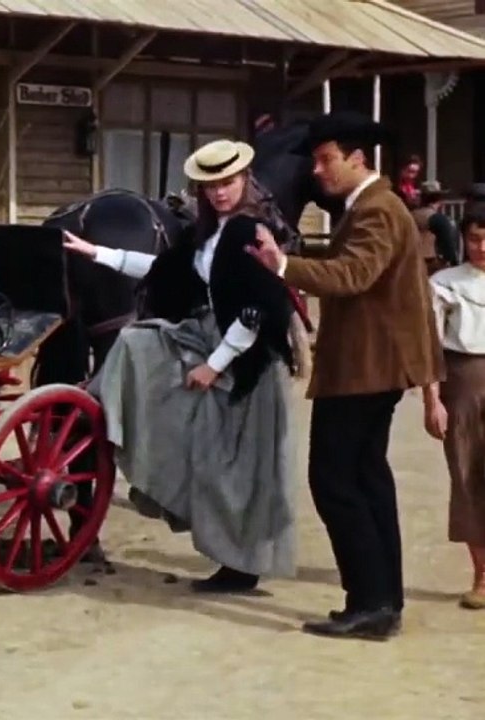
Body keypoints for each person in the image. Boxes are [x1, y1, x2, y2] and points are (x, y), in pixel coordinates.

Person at [65, 139, 300, 594]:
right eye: (210, 185)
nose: (219, 193)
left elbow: (258, 309)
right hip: (213, 338)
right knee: (138, 341)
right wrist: (98, 254)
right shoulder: (210, 234)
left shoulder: (248, 231)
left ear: (245, 181)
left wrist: (214, 366)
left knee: (236, 471)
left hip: (244, 358)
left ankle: (243, 566)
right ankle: (105, 407)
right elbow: (161, 269)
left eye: (228, 182)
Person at [246, 110, 444, 641]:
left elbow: (353, 273)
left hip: (365, 367)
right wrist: (292, 254)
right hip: (373, 366)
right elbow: (345, 261)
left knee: (334, 480)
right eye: (315, 159)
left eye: (326, 159)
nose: (317, 170)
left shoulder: (377, 209)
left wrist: (281, 266)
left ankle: (371, 602)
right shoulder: (370, 207)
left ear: (358, 159)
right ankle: (380, 600)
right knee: (368, 480)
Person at [424, 212, 485, 610]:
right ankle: (482, 575)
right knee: (467, 476)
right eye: (477, 239)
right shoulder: (444, 283)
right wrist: (431, 400)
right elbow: (429, 347)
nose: (484, 247)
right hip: (463, 379)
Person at [410, 179, 462, 273]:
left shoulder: (409, 215)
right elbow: (448, 247)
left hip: (410, 263)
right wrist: (454, 265)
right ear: (439, 199)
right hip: (431, 266)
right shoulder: (438, 219)